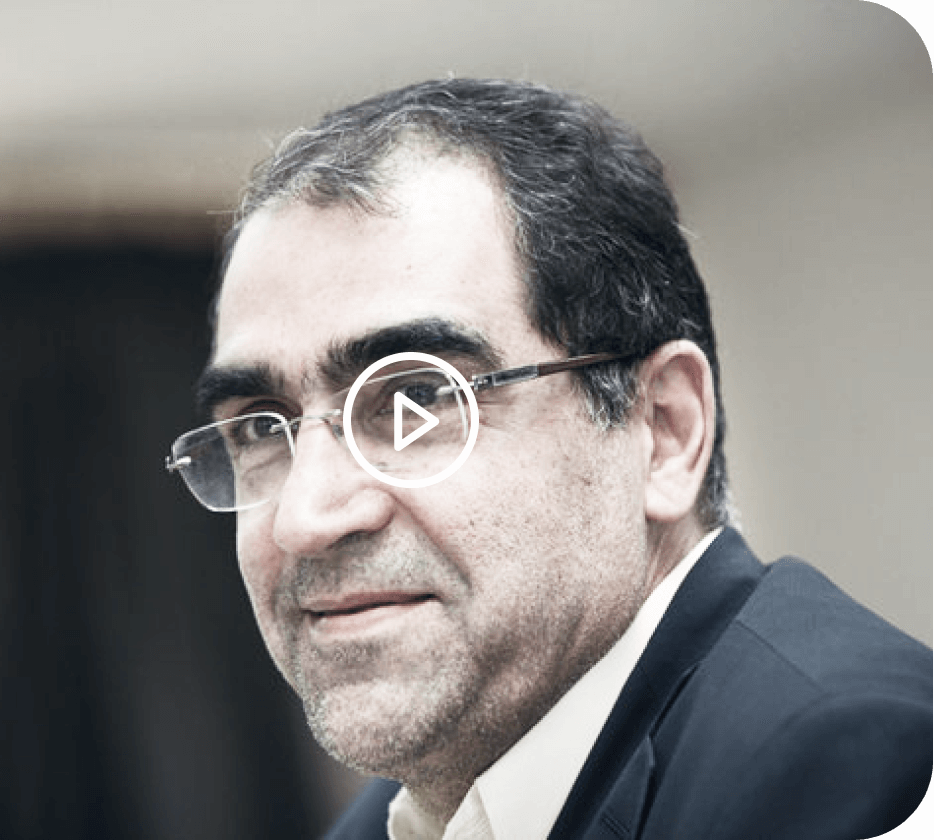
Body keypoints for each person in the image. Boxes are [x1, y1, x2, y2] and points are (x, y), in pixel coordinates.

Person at [166, 78, 932, 839]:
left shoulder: (850, 770)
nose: (304, 519)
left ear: (663, 430)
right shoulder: (386, 826)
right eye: (259, 431)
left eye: (418, 398)